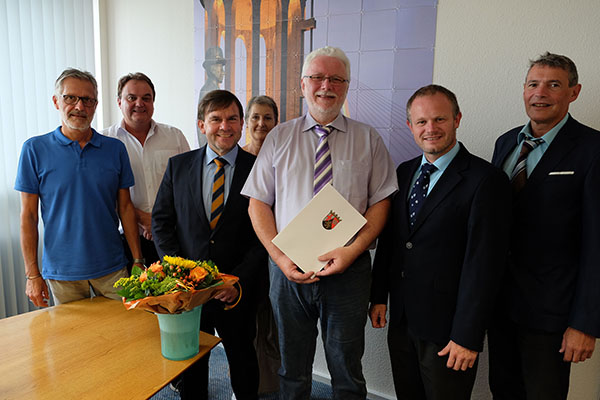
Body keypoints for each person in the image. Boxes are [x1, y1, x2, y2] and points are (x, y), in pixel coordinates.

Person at [241, 46, 398, 399]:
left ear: (346, 86)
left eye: (336, 79)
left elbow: (381, 203)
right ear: (303, 84)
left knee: (346, 366)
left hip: (349, 269)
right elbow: (258, 204)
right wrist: (280, 259)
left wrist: (352, 250)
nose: (326, 85)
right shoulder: (279, 138)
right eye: (317, 77)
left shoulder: (369, 139)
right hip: (288, 270)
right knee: (292, 366)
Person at [369, 84, 511, 399]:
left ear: (457, 119)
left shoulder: (486, 180)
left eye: (439, 119)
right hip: (403, 322)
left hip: (449, 333)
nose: (430, 128)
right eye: (421, 122)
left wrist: (468, 336)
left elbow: (484, 266)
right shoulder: (404, 173)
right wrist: (379, 295)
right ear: (410, 126)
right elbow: (393, 242)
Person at [488, 52, 600, 400]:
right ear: (523, 90)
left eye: (554, 85)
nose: (541, 93)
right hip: (501, 305)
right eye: (533, 84)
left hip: (553, 312)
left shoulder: (593, 149)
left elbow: (598, 243)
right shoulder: (506, 143)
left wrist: (585, 322)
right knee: (504, 390)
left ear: (574, 92)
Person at [152, 90, 266, 400]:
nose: (224, 126)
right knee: (192, 365)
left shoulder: (259, 168)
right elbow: (161, 222)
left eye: (232, 119)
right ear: (202, 124)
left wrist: (236, 280)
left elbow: (265, 235)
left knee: (243, 360)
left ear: (242, 124)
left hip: (237, 290)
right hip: (190, 292)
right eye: (216, 119)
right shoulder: (178, 166)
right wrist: (180, 274)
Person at [15, 68, 142, 307]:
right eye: (70, 98)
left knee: (122, 337)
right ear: (56, 101)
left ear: (95, 105)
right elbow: (28, 217)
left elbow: (125, 207)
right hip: (63, 275)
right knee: (72, 343)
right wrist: (32, 275)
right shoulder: (34, 150)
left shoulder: (115, 150)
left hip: (113, 268)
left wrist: (137, 259)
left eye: (87, 100)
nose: (79, 107)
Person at [102, 72, 190, 269]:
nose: (139, 103)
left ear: (153, 102)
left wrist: (158, 221)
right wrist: (144, 219)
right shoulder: (104, 141)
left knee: (174, 297)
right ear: (119, 102)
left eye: (146, 98)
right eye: (131, 98)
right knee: (134, 298)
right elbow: (104, 193)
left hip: (171, 238)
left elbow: (187, 188)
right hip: (125, 241)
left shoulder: (174, 137)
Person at [241, 94, 281, 395]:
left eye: (267, 118)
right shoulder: (237, 160)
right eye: (255, 117)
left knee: (274, 325)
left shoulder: (283, 158)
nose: (261, 123)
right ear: (246, 121)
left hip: (278, 253)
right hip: (243, 257)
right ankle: (242, 384)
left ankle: (272, 383)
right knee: (245, 327)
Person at [198, 46, 227, 147]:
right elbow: (202, 124)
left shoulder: (214, 89)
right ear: (211, 67)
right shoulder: (208, 90)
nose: (223, 72)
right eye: (219, 66)